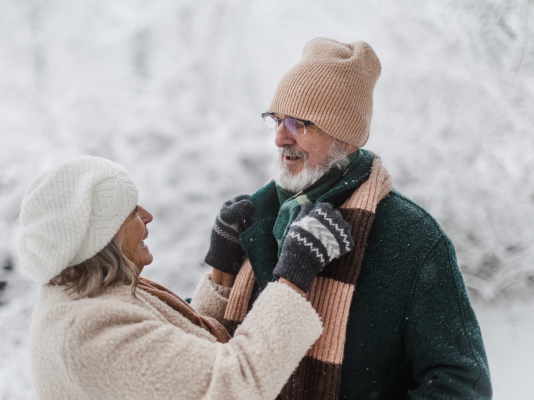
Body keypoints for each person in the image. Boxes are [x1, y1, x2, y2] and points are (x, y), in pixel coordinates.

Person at [206, 38, 492, 399]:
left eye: (299, 123)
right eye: (277, 120)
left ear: (344, 135)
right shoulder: (254, 221)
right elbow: (207, 360)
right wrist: (219, 274)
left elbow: (462, 384)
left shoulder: (412, 238)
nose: (280, 138)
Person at [17, 155, 355, 400]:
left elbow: (185, 367)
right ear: (101, 237)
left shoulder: (89, 294)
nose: (148, 216)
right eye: (132, 211)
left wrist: (222, 273)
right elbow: (233, 386)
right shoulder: (90, 330)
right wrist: (293, 276)